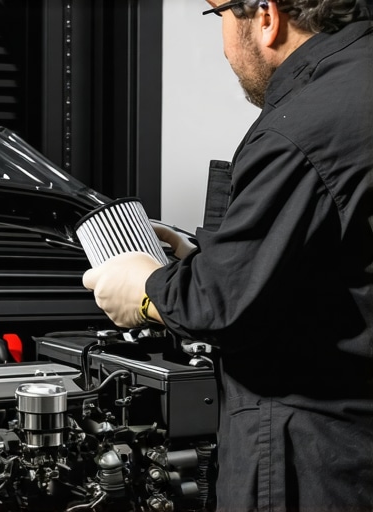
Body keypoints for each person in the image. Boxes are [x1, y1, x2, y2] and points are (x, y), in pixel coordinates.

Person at [83, 0, 373, 510]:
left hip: (316, 457)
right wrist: (205, 256)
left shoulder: (301, 128)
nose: (222, 42)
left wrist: (148, 291)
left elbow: (219, 306)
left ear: (265, 14)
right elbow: (342, 260)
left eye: (218, 14)